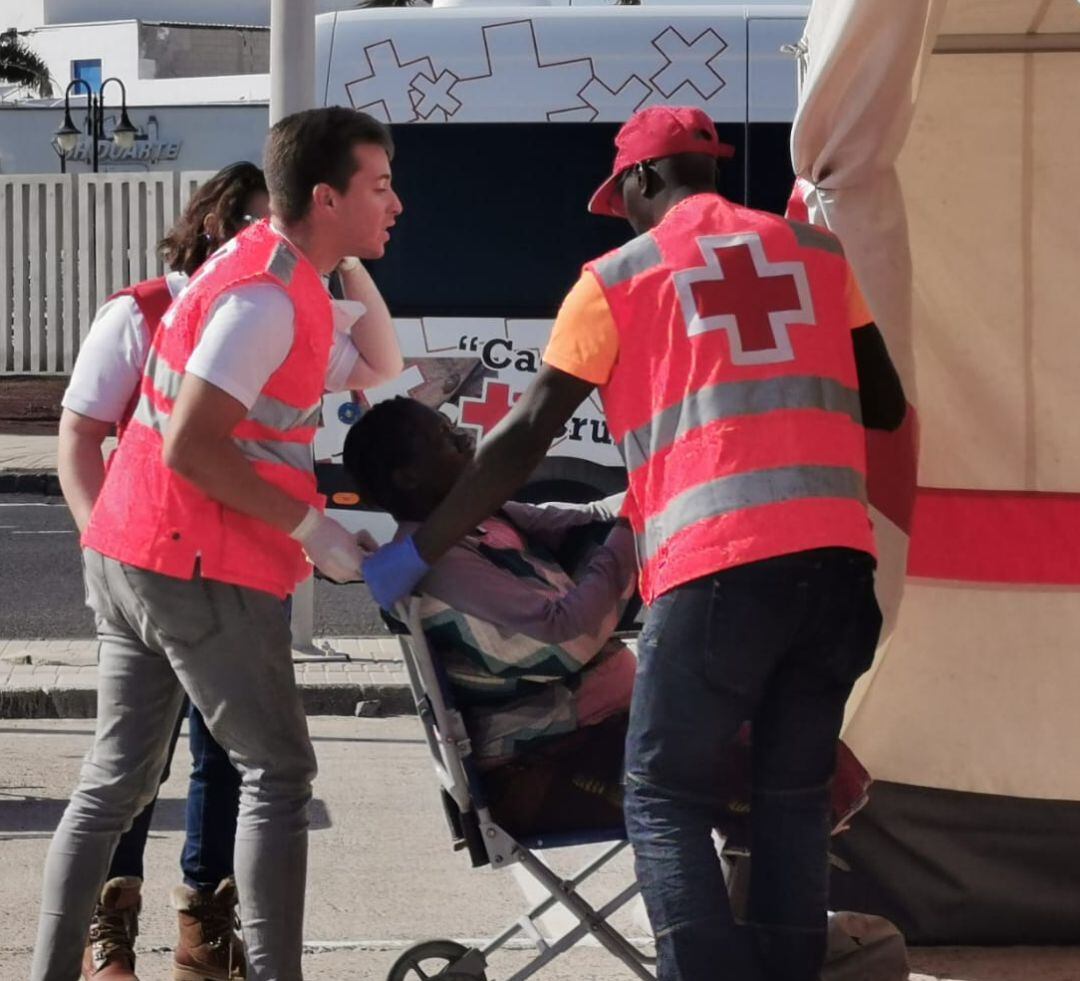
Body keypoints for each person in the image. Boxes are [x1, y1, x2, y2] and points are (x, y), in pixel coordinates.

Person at [363, 105, 906, 981]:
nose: (623, 215)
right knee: (791, 799)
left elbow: (527, 434)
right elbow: (881, 405)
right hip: (841, 568)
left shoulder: (617, 278)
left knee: (663, 792)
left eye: (623, 199)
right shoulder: (817, 255)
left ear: (645, 180)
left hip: (721, 567)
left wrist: (425, 541)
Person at [33, 106, 403, 981]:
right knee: (277, 774)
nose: (398, 206)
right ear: (324, 195)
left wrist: (341, 252)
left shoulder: (271, 274)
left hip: (132, 552)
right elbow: (194, 445)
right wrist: (311, 527)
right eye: (380, 188)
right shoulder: (265, 300)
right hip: (196, 562)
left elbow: (379, 363)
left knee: (113, 784)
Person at [344, 397, 871, 844]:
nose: (463, 436)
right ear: (407, 476)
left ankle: (748, 926)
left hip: (606, 731)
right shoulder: (442, 565)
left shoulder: (481, 522)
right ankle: (738, 942)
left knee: (790, 737)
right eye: (443, 436)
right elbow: (566, 635)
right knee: (793, 776)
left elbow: (590, 519)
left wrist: (672, 482)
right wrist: (631, 529)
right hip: (548, 768)